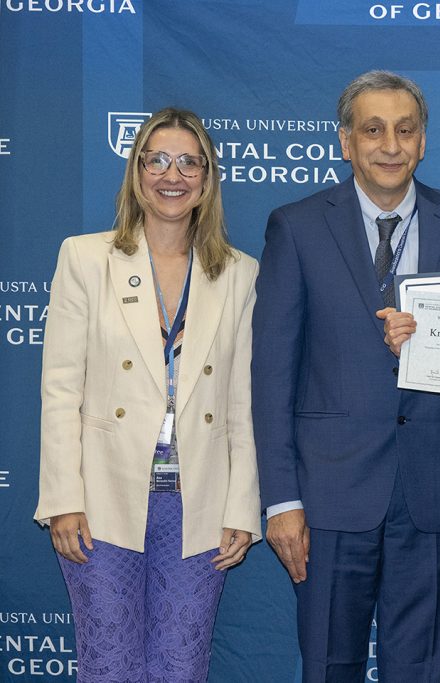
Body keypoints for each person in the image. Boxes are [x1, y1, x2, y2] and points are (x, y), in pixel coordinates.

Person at [251, 70, 440, 683]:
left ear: (423, 141)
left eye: (405, 130)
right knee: (329, 664)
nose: (391, 145)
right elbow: (273, 373)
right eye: (373, 130)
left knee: (421, 669)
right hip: (329, 493)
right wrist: (282, 500)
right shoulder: (297, 226)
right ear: (346, 142)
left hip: (438, 490)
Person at [34, 107, 262, 682]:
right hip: (102, 500)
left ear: (207, 178)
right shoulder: (86, 259)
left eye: (189, 162)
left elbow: (241, 404)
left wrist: (241, 507)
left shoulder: (239, 274)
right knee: (109, 666)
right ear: (136, 172)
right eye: (156, 160)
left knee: (180, 668)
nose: (172, 175)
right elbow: (60, 390)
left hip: (198, 504)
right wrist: (63, 497)